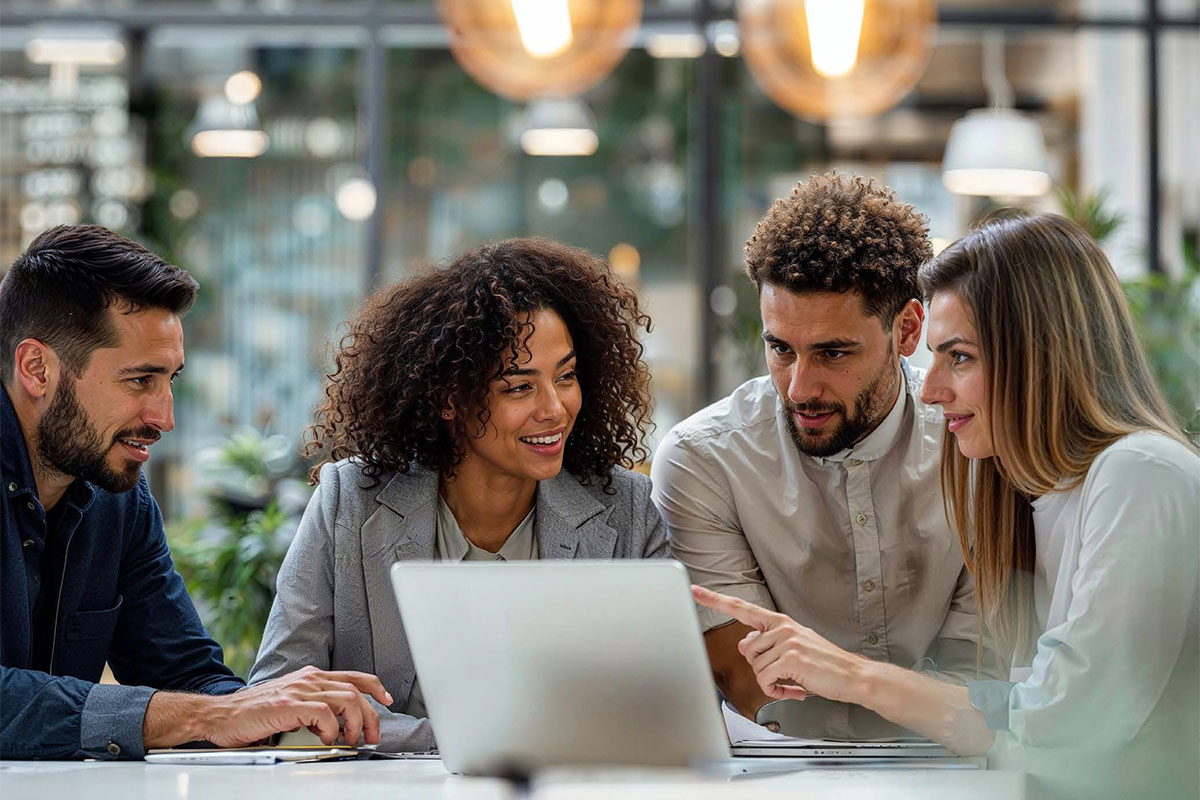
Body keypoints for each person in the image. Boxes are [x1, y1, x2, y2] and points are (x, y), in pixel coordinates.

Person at [694, 213, 1199, 799]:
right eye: (934, 357)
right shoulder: (1050, 494)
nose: (930, 389)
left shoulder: (1140, 474)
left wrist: (852, 675)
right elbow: (1019, 718)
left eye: (959, 357)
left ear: (1042, 354)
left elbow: (1069, 723)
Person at [249, 237, 668, 752]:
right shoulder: (350, 502)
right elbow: (274, 698)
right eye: (519, 386)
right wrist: (464, 740)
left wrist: (389, 731)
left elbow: (658, 710)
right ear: (450, 398)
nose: (556, 408)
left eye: (566, 376)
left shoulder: (626, 510)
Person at [0, 225, 393, 760]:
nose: (164, 417)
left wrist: (278, 716)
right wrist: (214, 714)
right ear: (36, 368)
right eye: (140, 380)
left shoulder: (117, 498)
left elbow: (185, 673)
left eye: (170, 380)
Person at [651, 172, 997, 738]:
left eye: (832, 353)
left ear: (907, 330)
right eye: (780, 349)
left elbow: (978, 671)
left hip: (949, 769)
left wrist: (852, 680)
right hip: (786, 771)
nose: (799, 388)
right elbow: (751, 680)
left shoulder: (975, 443)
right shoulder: (703, 460)